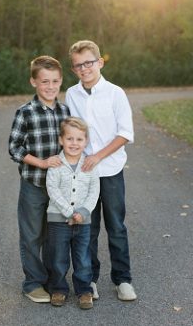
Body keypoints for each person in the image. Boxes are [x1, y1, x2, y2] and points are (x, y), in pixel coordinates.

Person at [65, 40, 137, 302]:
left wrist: (97, 156)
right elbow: (71, 132)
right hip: (84, 173)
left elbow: (125, 133)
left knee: (116, 226)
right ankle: (89, 280)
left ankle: (123, 280)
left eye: (88, 63)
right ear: (74, 69)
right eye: (78, 65)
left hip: (111, 169)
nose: (84, 68)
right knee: (88, 228)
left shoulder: (115, 93)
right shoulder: (72, 95)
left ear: (100, 62)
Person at [7, 54, 70, 304]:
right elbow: (14, 148)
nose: (50, 86)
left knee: (54, 236)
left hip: (60, 188)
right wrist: (42, 162)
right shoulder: (26, 112)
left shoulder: (66, 112)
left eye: (55, 81)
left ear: (61, 81)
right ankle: (33, 283)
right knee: (32, 235)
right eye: (45, 81)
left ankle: (54, 281)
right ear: (33, 82)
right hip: (34, 184)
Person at [45, 117, 100, 310]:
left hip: (83, 221)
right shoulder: (56, 164)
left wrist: (83, 212)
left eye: (79, 139)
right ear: (61, 140)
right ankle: (58, 288)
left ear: (85, 141)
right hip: (58, 220)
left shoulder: (90, 164)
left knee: (83, 257)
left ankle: (84, 291)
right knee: (58, 256)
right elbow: (53, 189)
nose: (74, 143)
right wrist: (69, 212)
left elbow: (94, 191)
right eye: (69, 139)